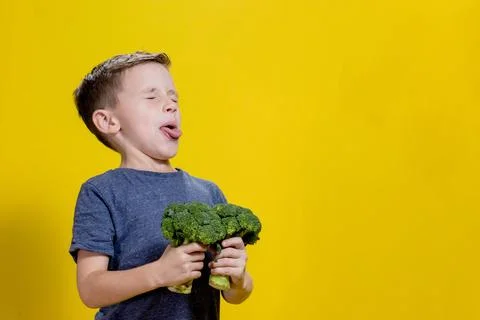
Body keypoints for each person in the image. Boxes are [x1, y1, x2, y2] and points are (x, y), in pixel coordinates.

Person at [69, 52, 253, 320]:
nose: (171, 105)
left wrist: (239, 278)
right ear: (108, 121)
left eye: (174, 97)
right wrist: (159, 273)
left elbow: (236, 295)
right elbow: (90, 288)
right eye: (152, 97)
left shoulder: (208, 193)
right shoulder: (101, 192)